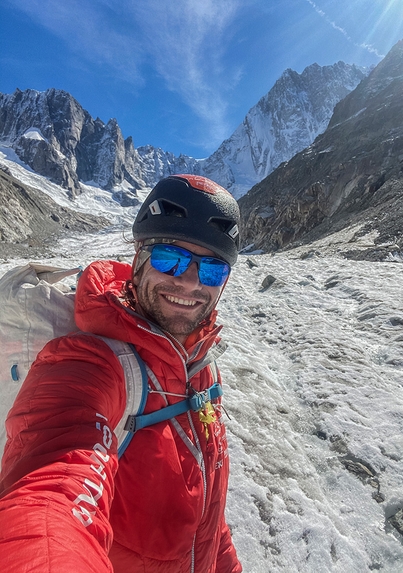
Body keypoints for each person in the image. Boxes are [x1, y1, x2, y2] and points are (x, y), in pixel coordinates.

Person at [0, 174, 243, 573]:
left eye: (213, 270)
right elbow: (50, 497)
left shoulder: (200, 364)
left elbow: (209, 520)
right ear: (139, 257)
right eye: (171, 258)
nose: (190, 281)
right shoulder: (92, 362)